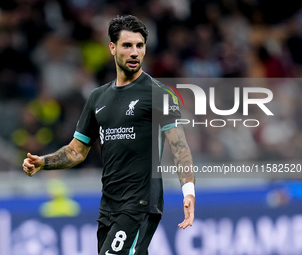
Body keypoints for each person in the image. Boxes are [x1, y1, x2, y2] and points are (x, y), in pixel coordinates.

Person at [22, 14, 195, 255]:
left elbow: (179, 147)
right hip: (109, 206)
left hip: (140, 203)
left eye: (139, 45)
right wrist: (43, 162)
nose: (134, 52)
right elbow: (76, 151)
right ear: (112, 48)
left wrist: (188, 191)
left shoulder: (160, 94)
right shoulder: (97, 98)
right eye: (127, 45)